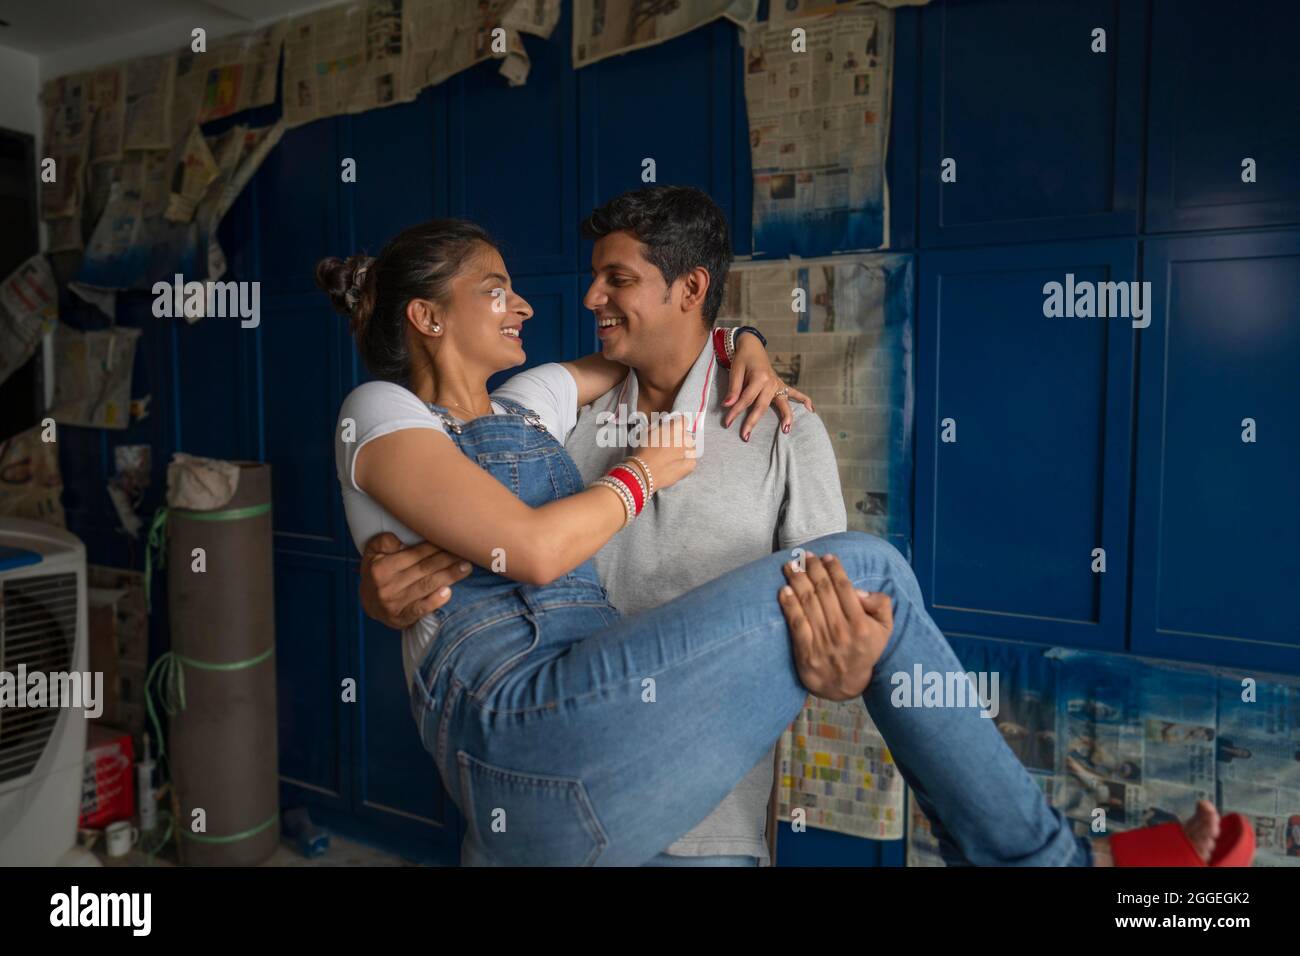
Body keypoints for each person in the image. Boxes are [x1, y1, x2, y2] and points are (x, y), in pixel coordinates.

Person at [331, 191, 1252, 867]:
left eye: (617, 281)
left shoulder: (781, 429)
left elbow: (841, 653)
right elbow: (483, 535)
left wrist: (847, 666)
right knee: (875, 569)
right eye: (592, 280)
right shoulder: (542, 419)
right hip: (537, 784)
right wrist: (382, 582)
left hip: (704, 828)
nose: (585, 300)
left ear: (690, 289)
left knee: (865, 582)